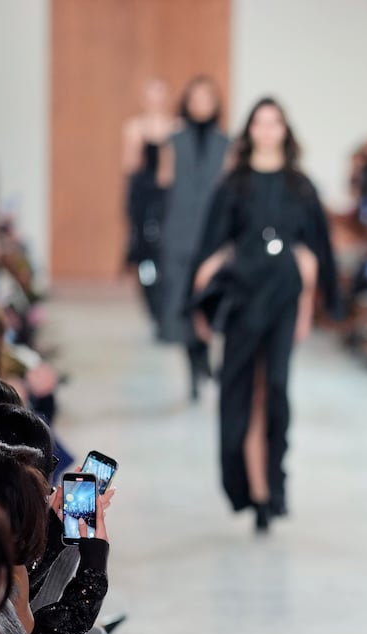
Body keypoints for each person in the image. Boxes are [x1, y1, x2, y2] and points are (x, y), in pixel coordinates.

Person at [192, 97, 339, 531]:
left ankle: (272, 488)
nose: (268, 129)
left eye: (276, 121)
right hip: (242, 296)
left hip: (283, 297)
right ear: (250, 129)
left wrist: (315, 299)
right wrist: (198, 302)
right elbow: (211, 243)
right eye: (260, 121)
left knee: (274, 391)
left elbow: (318, 247)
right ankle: (249, 490)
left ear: (285, 130)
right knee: (239, 394)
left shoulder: (301, 186)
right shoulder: (233, 184)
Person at [159, 76, 231, 400]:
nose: (202, 103)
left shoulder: (226, 143)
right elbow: (162, 186)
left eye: (208, 97)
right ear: (187, 101)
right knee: (182, 305)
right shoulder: (172, 140)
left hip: (212, 235)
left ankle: (203, 356)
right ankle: (193, 369)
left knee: (209, 301)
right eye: (196, 97)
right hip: (179, 232)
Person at [121, 78, 176, 330]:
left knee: (165, 251)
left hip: (167, 196)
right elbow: (130, 168)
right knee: (144, 252)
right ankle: (153, 307)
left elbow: (170, 172)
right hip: (143, 195)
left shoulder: (176, 128)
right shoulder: (133, 128)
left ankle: (165, 306)